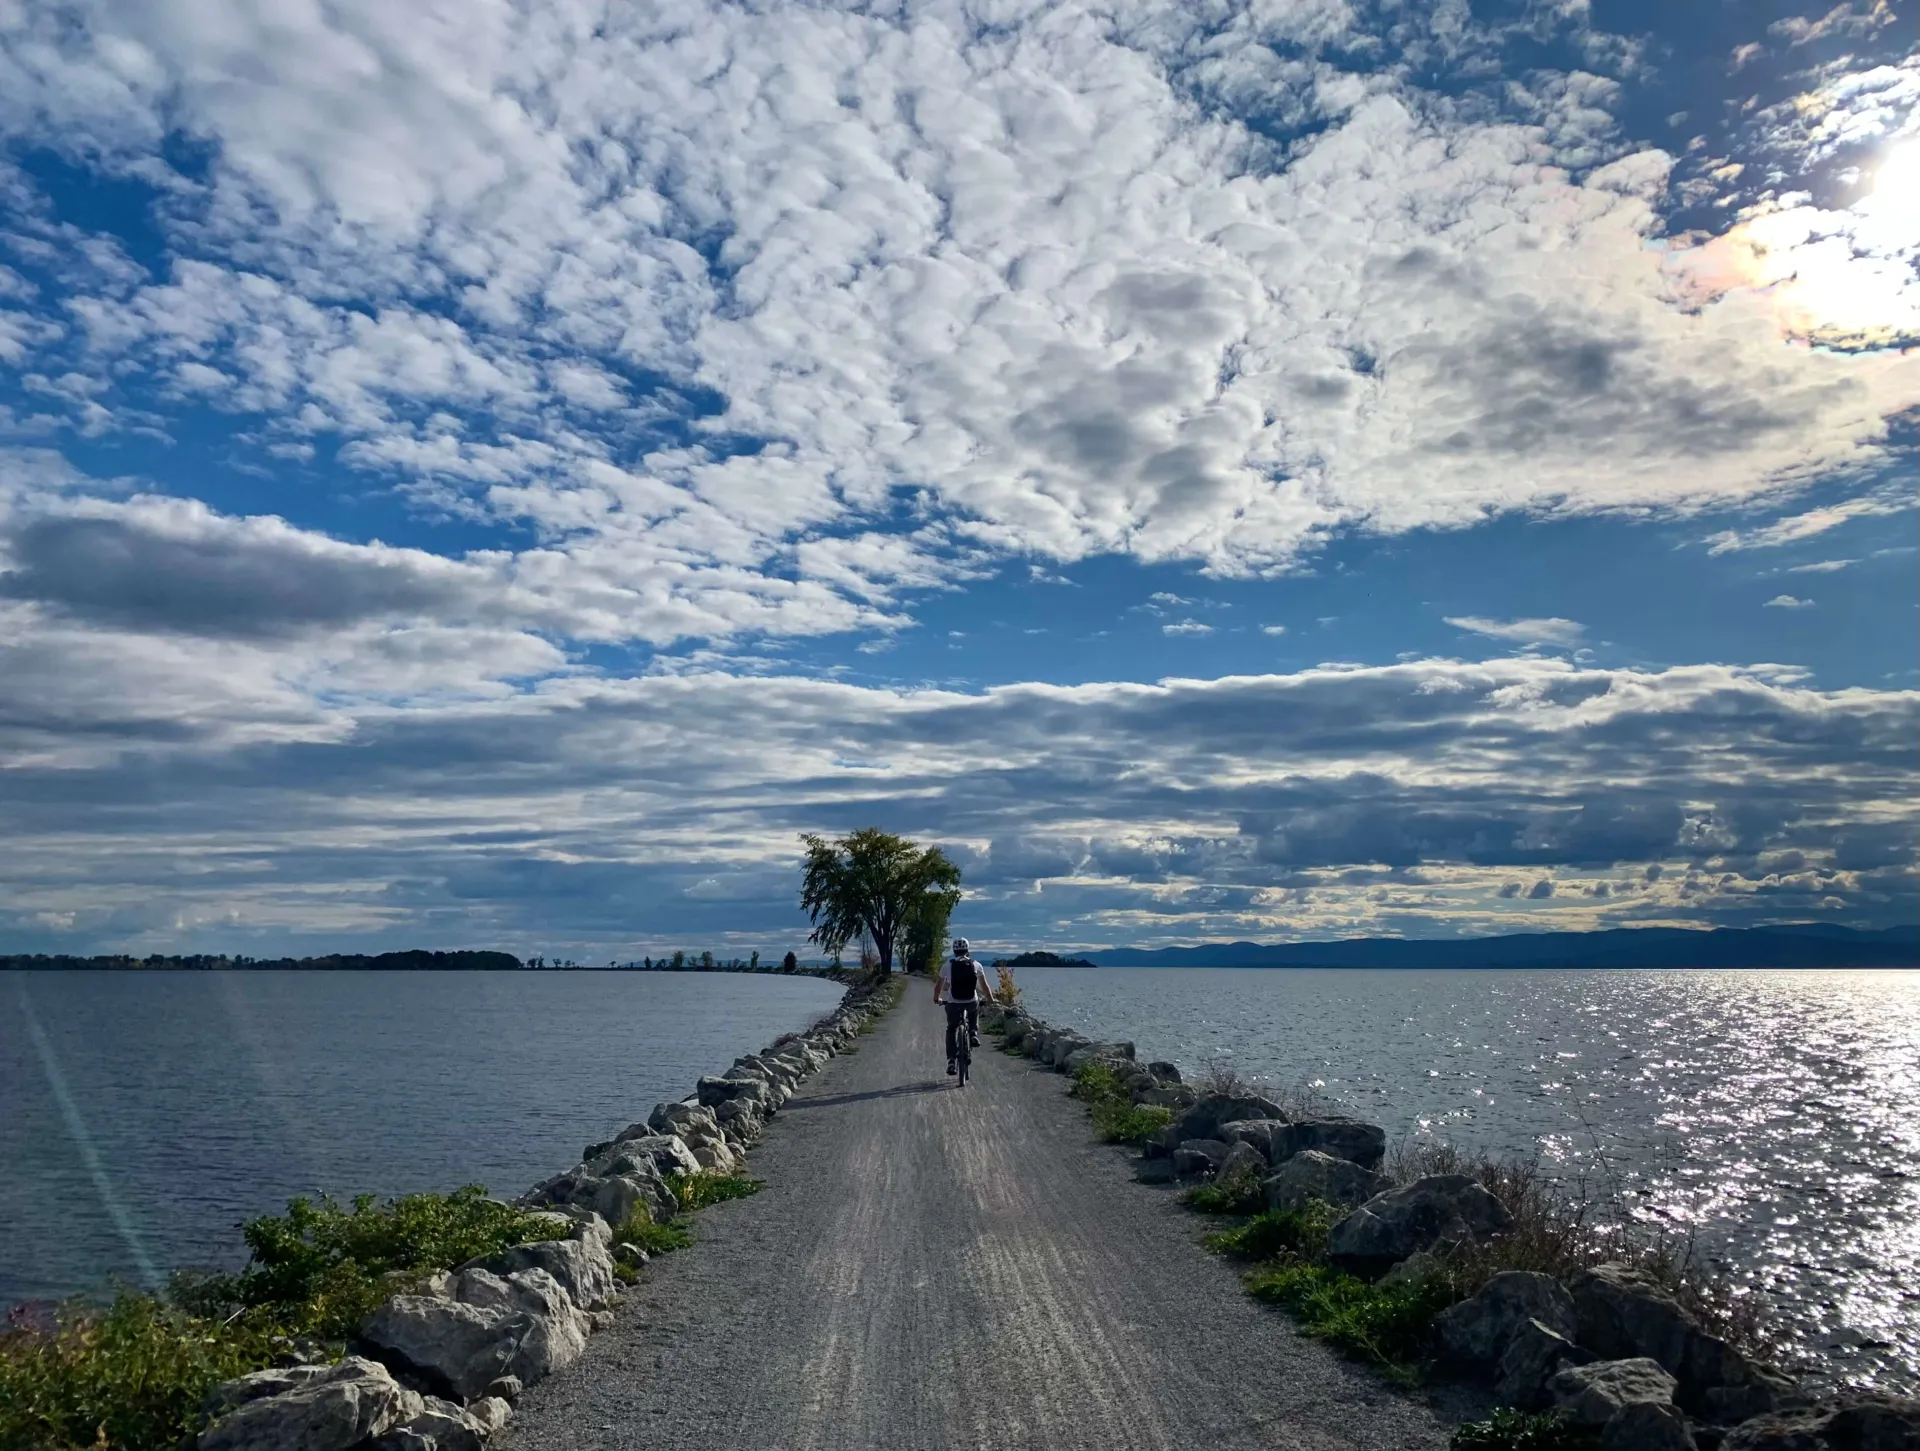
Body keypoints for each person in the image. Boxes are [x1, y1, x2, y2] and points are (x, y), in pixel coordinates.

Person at [934, 937, 992, 1076]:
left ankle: (951, 1061)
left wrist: (937, 999)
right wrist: (991, 1000)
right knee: (974, 1009)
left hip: (953, 1003)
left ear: (954, 950)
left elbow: (939, 986)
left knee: (951, 1029)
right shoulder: (976, 964)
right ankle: (973, 1033)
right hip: (971, 1001)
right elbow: (984, 986)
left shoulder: (947, 965)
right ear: (968, 950)